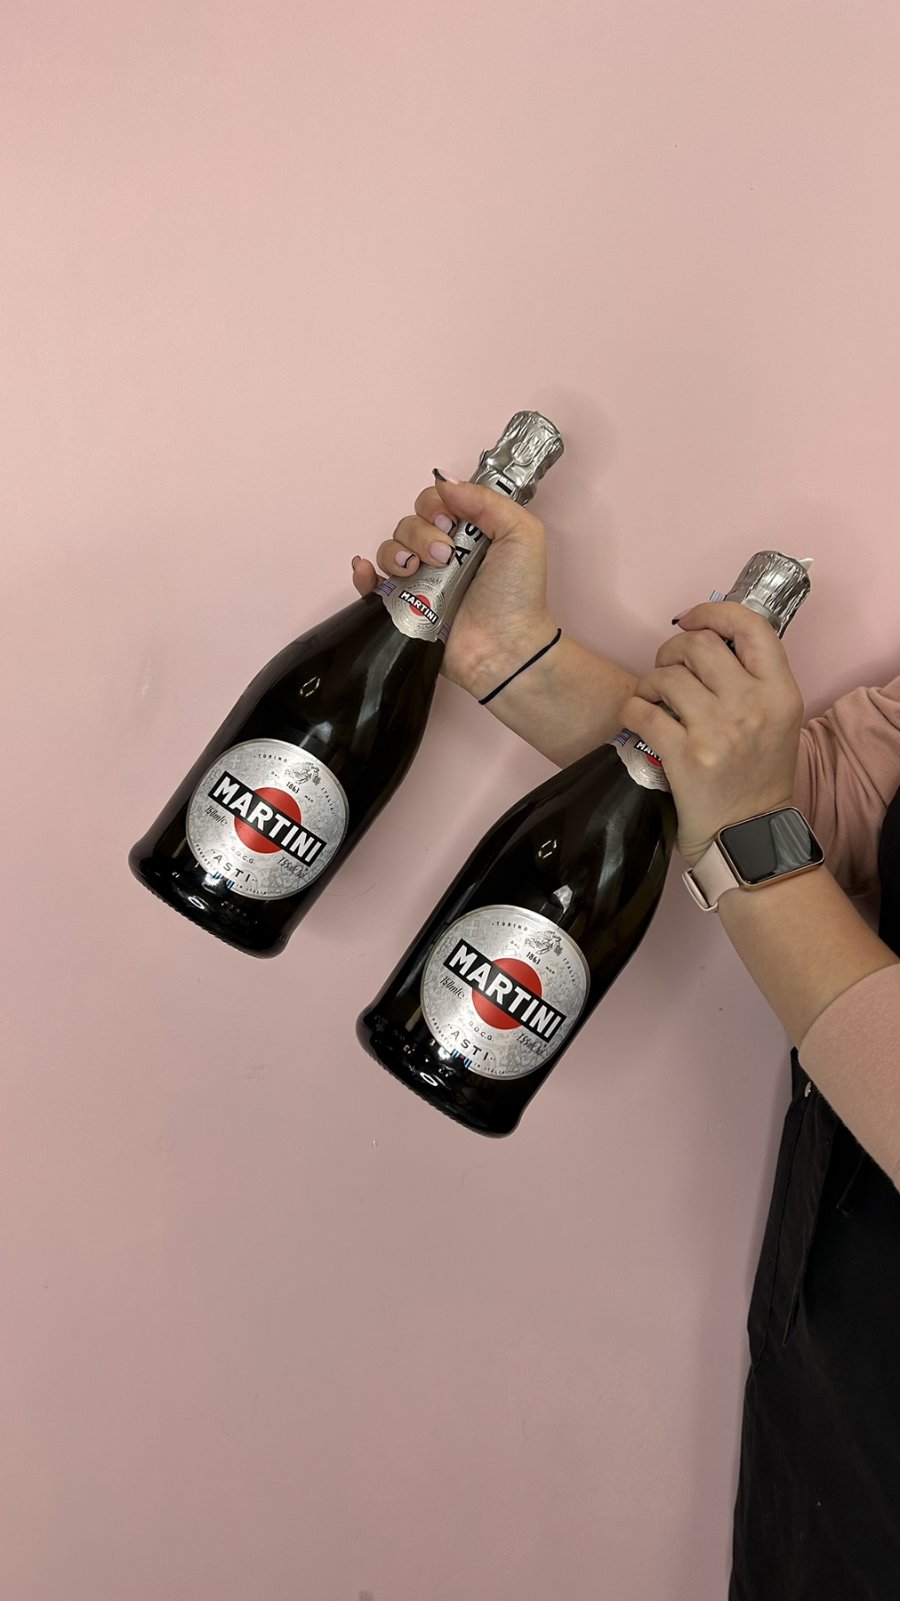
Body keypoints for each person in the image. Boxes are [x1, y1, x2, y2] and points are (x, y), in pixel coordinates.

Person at [352, 475, 900, 1599]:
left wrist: (748, 838)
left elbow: (761, 824)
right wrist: (515, 653)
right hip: (841, 1368)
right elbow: (841, 802)